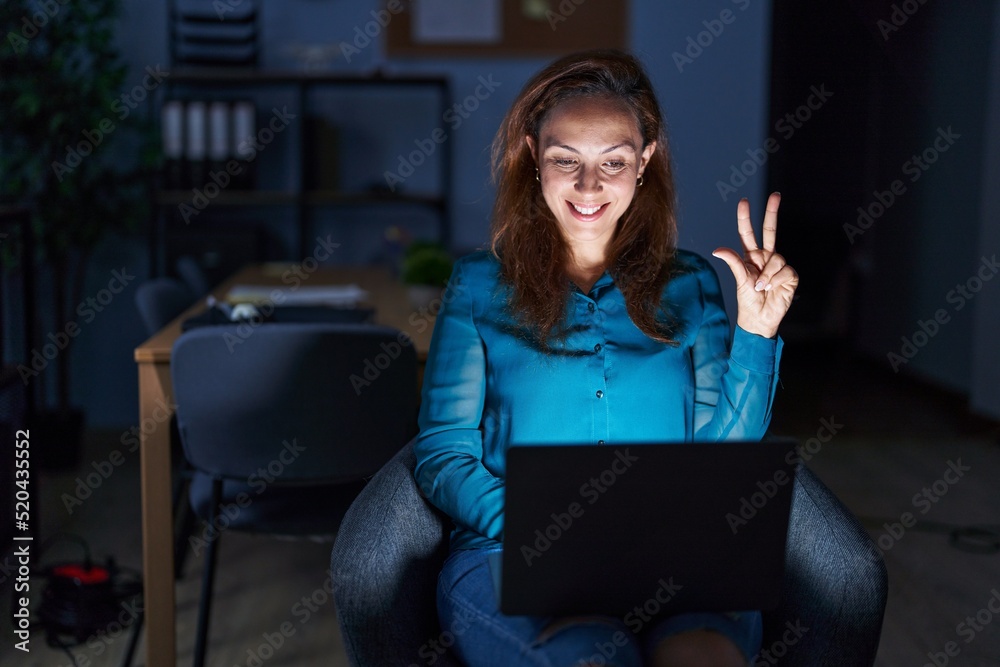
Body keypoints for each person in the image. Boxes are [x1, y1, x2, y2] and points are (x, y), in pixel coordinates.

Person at [413, 49, 798, 667]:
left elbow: (719, 459)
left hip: (673, 556)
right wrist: (543, 531)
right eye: (566, 160)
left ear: (644, 163)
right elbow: (443, 453)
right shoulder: (478, 285)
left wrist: (756, 332)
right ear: (533, 156)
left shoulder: (693, 281)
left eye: (613, 162)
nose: (589, 187)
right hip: (509, 553)